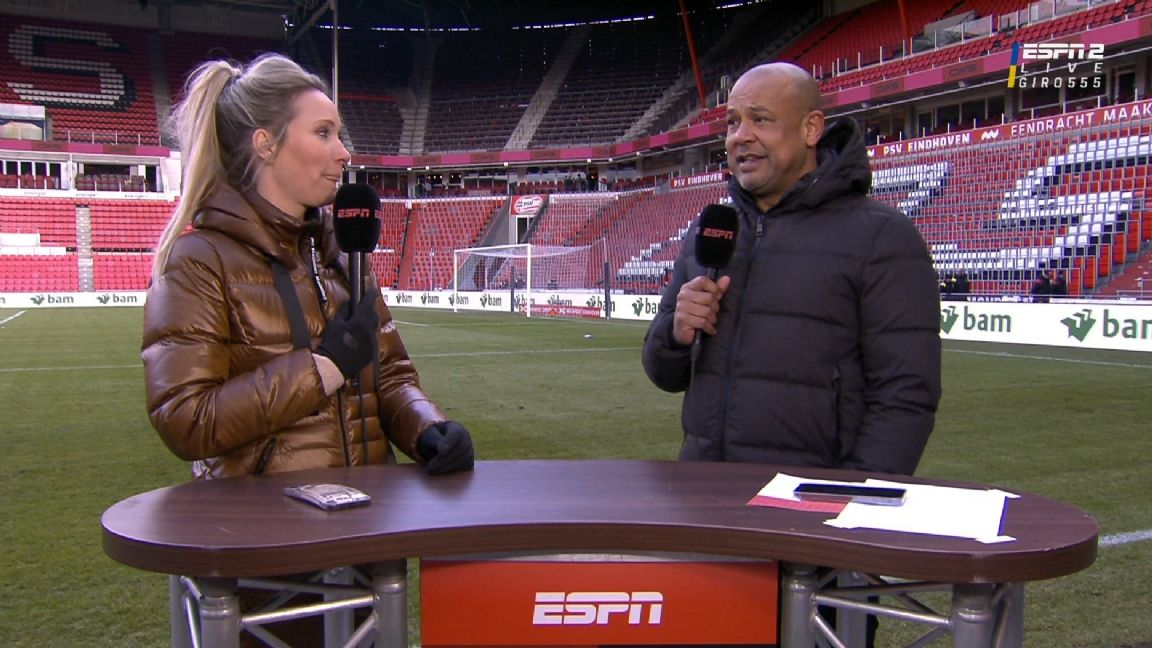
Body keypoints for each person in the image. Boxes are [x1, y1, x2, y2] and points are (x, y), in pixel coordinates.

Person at [641, 61, 941, 647]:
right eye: (732, 122)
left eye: (760, 119)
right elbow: (662, 371)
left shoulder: (882, 238)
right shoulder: (712, 230)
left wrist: (847, 511)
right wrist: (677, 332)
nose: (740, 136)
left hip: (818, 535)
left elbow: (907, 395)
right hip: (709, 514)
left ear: (810, 129)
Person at [142, 53, 474, 481]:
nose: (344, 153)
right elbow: (186, 419)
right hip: (268, 517)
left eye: (339, 134)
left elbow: (391, 376)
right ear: (266, 144)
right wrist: (324, 368)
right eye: (323, 133)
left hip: (372, 510)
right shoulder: (199, 261)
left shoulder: (346, 255)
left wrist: (427, 427)